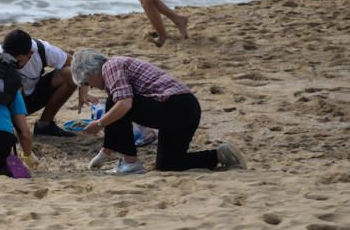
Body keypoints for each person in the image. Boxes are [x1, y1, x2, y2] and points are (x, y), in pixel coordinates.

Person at [69, 49, 246, 174]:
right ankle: (220, 155)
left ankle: (130, 163)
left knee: (115, 103)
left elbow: (123, 105)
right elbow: (121, 114)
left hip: (176, 106)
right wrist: (103, 154)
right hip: (186, 110)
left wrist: (99, 124)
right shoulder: (114, 69)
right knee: (168, 164)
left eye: (87, 82)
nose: (90, 86)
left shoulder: (111, 67)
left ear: (91, 72)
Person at [0, 29, 77, 137]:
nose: (14, 64)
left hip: (31, 97)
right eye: (11, 60)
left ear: (31, 53)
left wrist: (84, 91)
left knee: (70, 74)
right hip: (4, 104)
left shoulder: (42, 49)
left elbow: (76, 65)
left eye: (18, 61)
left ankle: (44, 125)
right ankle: (4, 128)